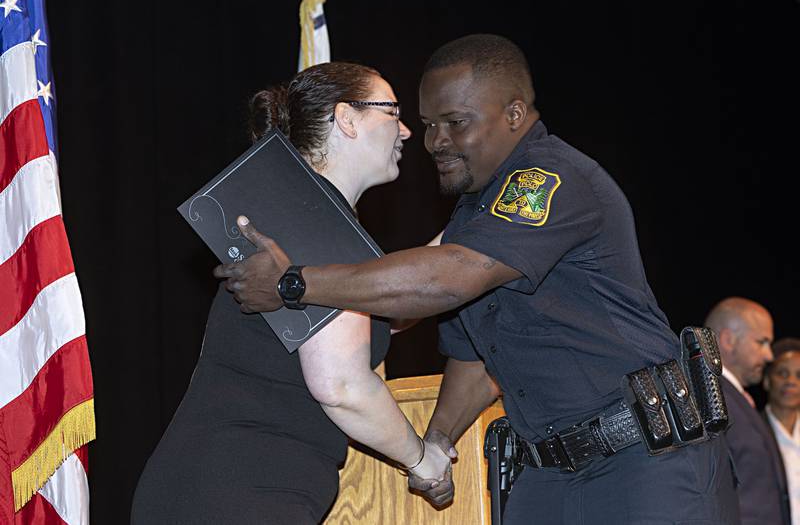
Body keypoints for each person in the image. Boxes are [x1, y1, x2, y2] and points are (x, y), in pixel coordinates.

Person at [215, 34, 739, 523]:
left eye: (456, 122)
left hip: (645, 462)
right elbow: (473, 356)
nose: (433, 141)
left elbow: (451, 279)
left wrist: (295, 283)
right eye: (427, 124)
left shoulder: (548, 178)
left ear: (513, 115)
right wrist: (439, 439)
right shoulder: (475, 214)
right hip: (548, 476)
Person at [131, 62, 450, 524]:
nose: (404, 131)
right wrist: (423, 460)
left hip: (219, 489)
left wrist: (461, 244)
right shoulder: (312, 222)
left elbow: (389, 313)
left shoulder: (317, 222)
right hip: (236, 493)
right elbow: (341, 386)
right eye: (392, 111)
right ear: (347, 119)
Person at [705, 297, 790, 524]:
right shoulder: (713, 400)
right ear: (728, 340)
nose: (769, 356)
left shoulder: (732, 398)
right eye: (761, 342)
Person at [764, 337, 800, 524]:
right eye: (782, 373)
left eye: (799, 375)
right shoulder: (752, 431)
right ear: (767, 381)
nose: (791, 382)